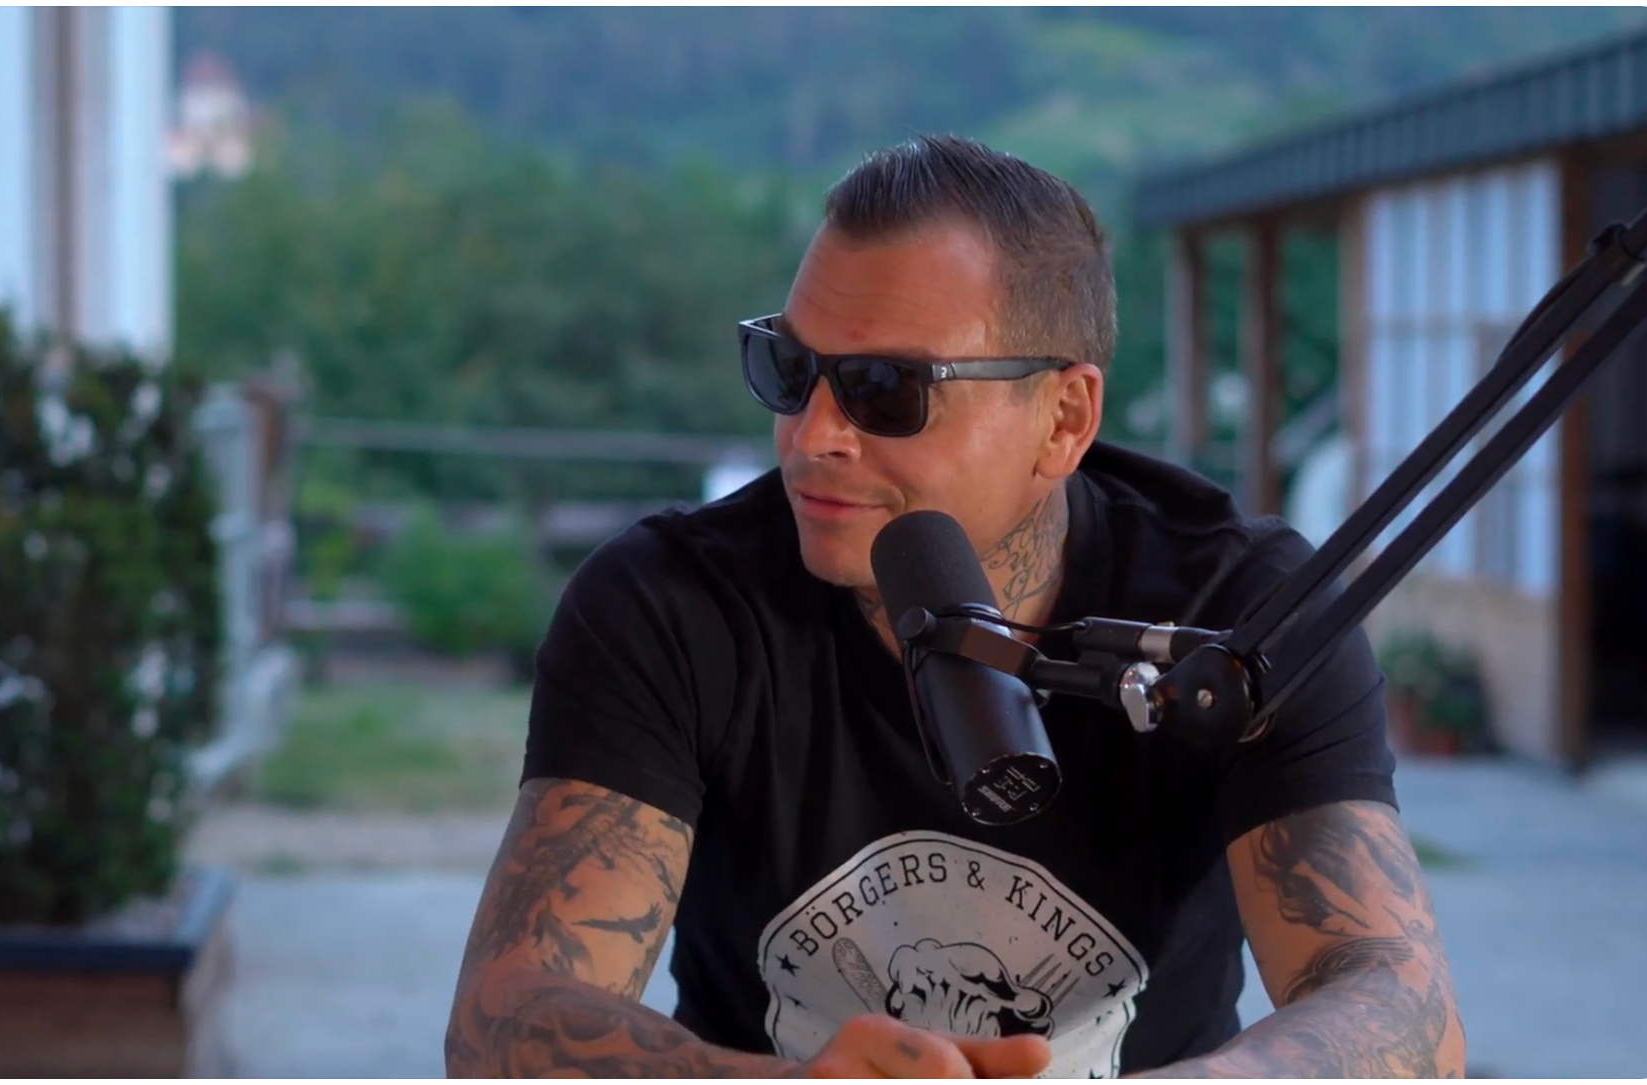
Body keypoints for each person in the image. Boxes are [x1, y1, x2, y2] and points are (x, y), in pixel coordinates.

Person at [445, 133, 1466, 1083]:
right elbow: (505, 1013)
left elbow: (1401, 1005)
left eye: (886, 388)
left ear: (1063, 418)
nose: (812, 435)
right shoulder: (670, 600)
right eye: (789, 369)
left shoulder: (1236, 613)